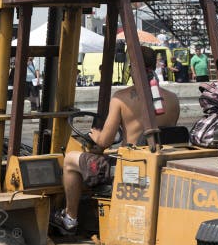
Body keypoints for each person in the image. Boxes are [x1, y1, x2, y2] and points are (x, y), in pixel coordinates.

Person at [51, 46, 181, 234]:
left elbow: (103, 143)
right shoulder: (173, 99)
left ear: (131, 68)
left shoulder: (121, 99)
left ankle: (70, 218)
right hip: (157, 165)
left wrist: (95, 135)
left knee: (71, 159)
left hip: (132, 170)